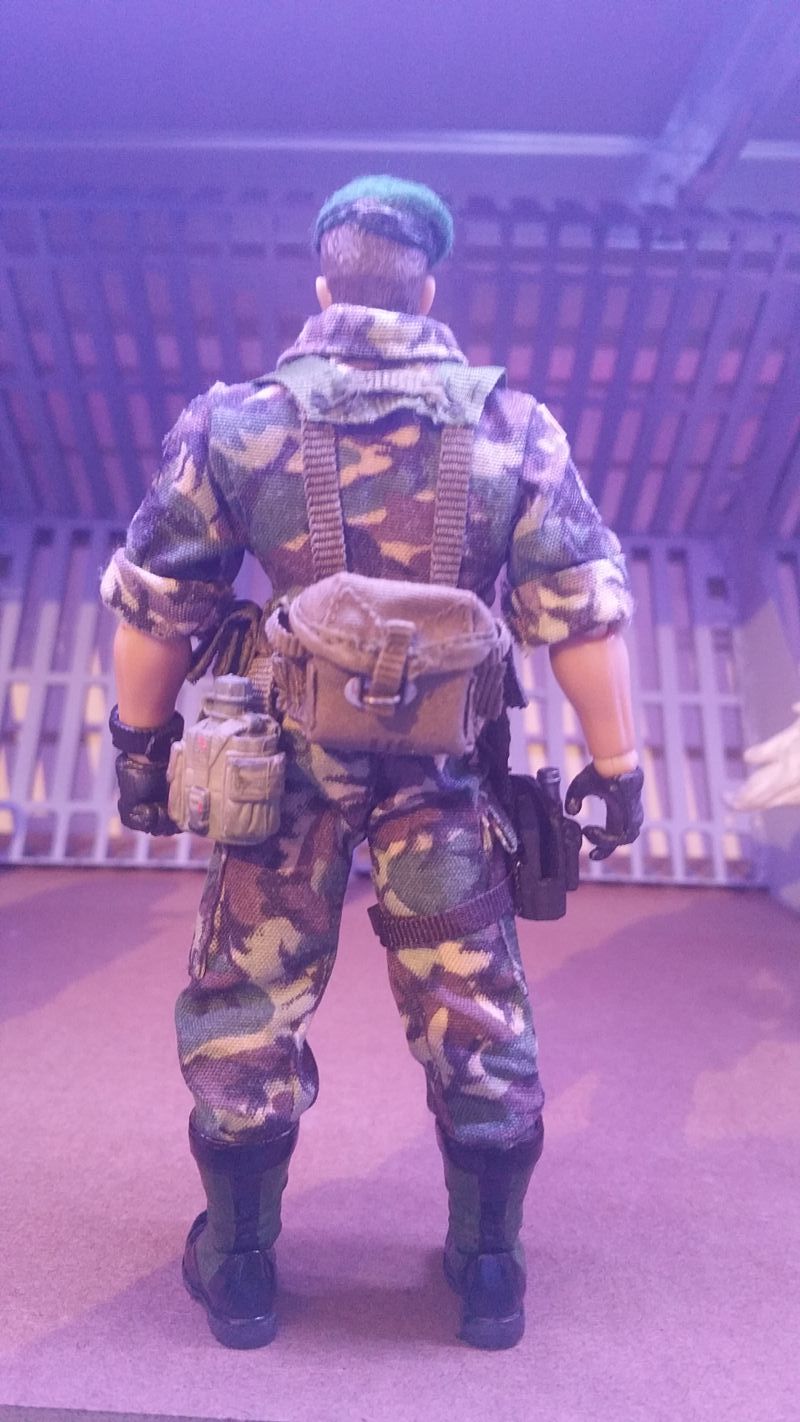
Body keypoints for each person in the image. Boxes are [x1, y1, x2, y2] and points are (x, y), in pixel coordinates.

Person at [101, 175, 643, 1352]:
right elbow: (580, 615)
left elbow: (158, 606)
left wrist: (139, 748)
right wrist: (618, 764)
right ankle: (488, 1271)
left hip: (279, 775)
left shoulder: (238, 422)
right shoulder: (512, 428)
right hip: (441, 779)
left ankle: (240, 1269)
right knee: (475, 1009)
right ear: (427, 292)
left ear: (322, 287)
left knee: (245, 1003)